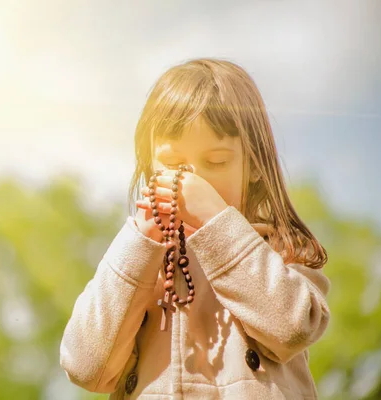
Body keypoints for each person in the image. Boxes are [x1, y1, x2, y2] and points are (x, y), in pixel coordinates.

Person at [59, 58, 330, 399]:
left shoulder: (281, 251)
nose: (191, 179)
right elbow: (85, 367)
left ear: (256, 166)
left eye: (216, 161)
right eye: (172, 163)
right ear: (149, 165)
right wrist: (139, 242)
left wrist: (214, 218)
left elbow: (290, 327)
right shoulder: (141, 260)